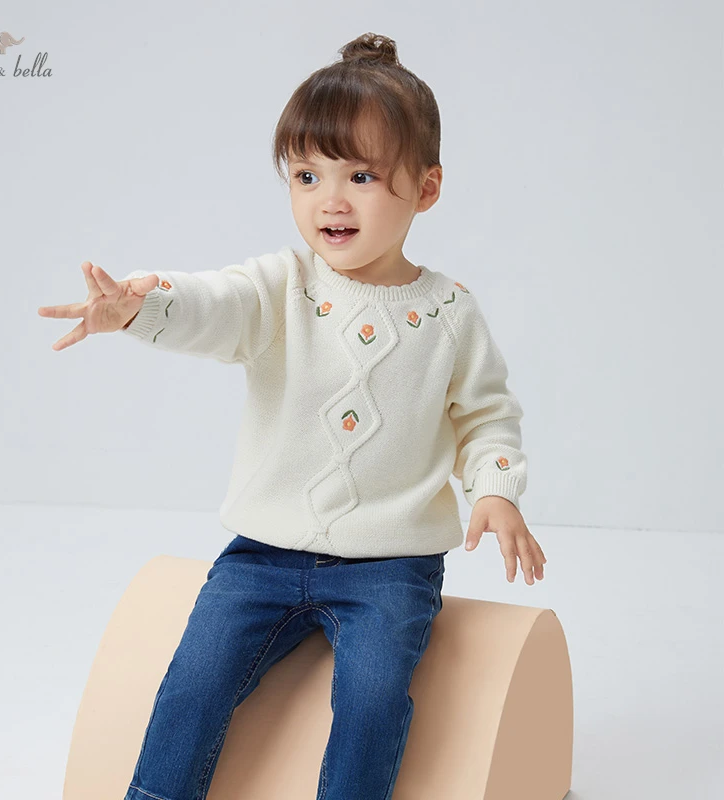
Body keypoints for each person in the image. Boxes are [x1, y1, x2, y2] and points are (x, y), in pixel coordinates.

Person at [39, 31, 547, 800]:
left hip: (392, 566)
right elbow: (216, 304)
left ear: (427, 187)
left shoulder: (450, 312)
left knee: (373, 701)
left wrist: (497, 490)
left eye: (361, 176)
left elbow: (485, 417)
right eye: (307, 176)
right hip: (262, 555)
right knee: (193, 683)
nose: (329, 201)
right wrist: (143, 305)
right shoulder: (282, 285)